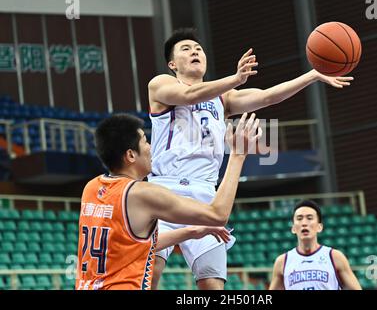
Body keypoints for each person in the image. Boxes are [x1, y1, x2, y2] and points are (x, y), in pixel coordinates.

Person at [147, 28, 354, 290]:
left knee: (212, 285)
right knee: (149, 274)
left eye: (198, 48)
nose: (195, 51)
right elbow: (189, 95)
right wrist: (235, 78)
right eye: (186, 49)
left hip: (206, 195)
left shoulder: (224, 99)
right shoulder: (161, 84)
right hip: (164, 189)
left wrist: (311, 76)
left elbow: (268, 96)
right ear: (172, 64)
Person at [76, 112, 260, 290]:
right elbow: (218, 214)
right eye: (145, 142)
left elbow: (129, 246)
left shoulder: (91, 189)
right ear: (131, 155)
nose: (151, 148)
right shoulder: (142, 194)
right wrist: (237, 155)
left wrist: (191, 231)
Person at [269, 200, 362, 290]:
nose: (304, 223)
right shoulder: (283, 261)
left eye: (309, 218)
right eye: (299, 219)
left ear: (319, 227)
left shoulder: (334, 257)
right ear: (293, 228)